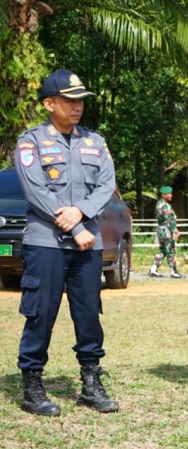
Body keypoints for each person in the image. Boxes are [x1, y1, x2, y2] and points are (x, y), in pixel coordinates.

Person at [14, 68, 120, 416]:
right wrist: (76, 226)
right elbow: (35, 191)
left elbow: (106, 186)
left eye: (80, 101)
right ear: (49, 103)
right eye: (69, 100)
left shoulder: (96, 141)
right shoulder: (31, 142)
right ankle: (32, 383)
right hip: (46, 242)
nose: (77, 107)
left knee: (89, 312)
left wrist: (83, 212)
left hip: (87, 245)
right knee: (41, 312)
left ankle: (91, 380)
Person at [149, 185, 183, 278]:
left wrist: (175, 229)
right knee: (170, 250)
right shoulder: (164, 206)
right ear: (164, 195)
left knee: (163, 250)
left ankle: (153, 269)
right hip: (166, 231)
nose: (171, 195)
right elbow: (168, 220)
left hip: (162, 229)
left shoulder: (159, 203)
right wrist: (173, 232)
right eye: (169, 194)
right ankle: (173, 271)